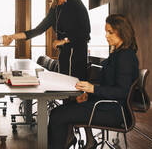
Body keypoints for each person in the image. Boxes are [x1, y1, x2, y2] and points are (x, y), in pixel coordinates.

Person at [48, 14, 139, 149]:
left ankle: (64, 142)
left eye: (110, 32)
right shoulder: (118, 54)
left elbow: (123, 92)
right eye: (106, 32)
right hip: (106, 106)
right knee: (60, 112)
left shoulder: (125, 57)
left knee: (57, 115)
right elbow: (109, 87)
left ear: (122, 32)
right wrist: (88, 95)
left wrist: (93, 89)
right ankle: (68, 140)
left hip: (114, 112)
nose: (106, 36)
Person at [9, 0, 90, 80]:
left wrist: (64, 40)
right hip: (64, 53)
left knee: (74, 86)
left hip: (77, 52)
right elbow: (38, 30)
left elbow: (85, 31)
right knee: (64, 86)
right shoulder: (55, 8)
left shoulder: (75, 2)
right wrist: (12, 37)